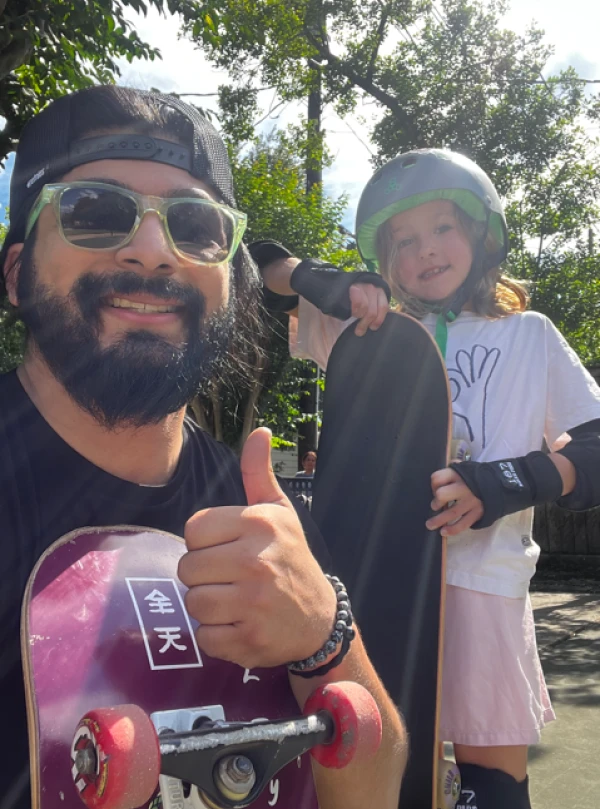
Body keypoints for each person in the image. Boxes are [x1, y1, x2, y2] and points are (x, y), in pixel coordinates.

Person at [0, 85, 407, 809]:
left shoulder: (264, 515)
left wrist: (324, 637)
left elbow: (374, 790)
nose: (154, 250)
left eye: (195, 226)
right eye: (94, 210)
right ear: (15, 273)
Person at [255, 148, 600, 809]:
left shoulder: (529, 335)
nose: (427, 250)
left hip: (484, 587)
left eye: (443, 227)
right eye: (405, 240)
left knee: (492, 784)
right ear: (387, 258)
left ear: (479, 233)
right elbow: (260, 262)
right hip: (380, 587)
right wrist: (330, 282)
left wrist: (505, 482)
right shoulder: (368, 328)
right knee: (378, 769)